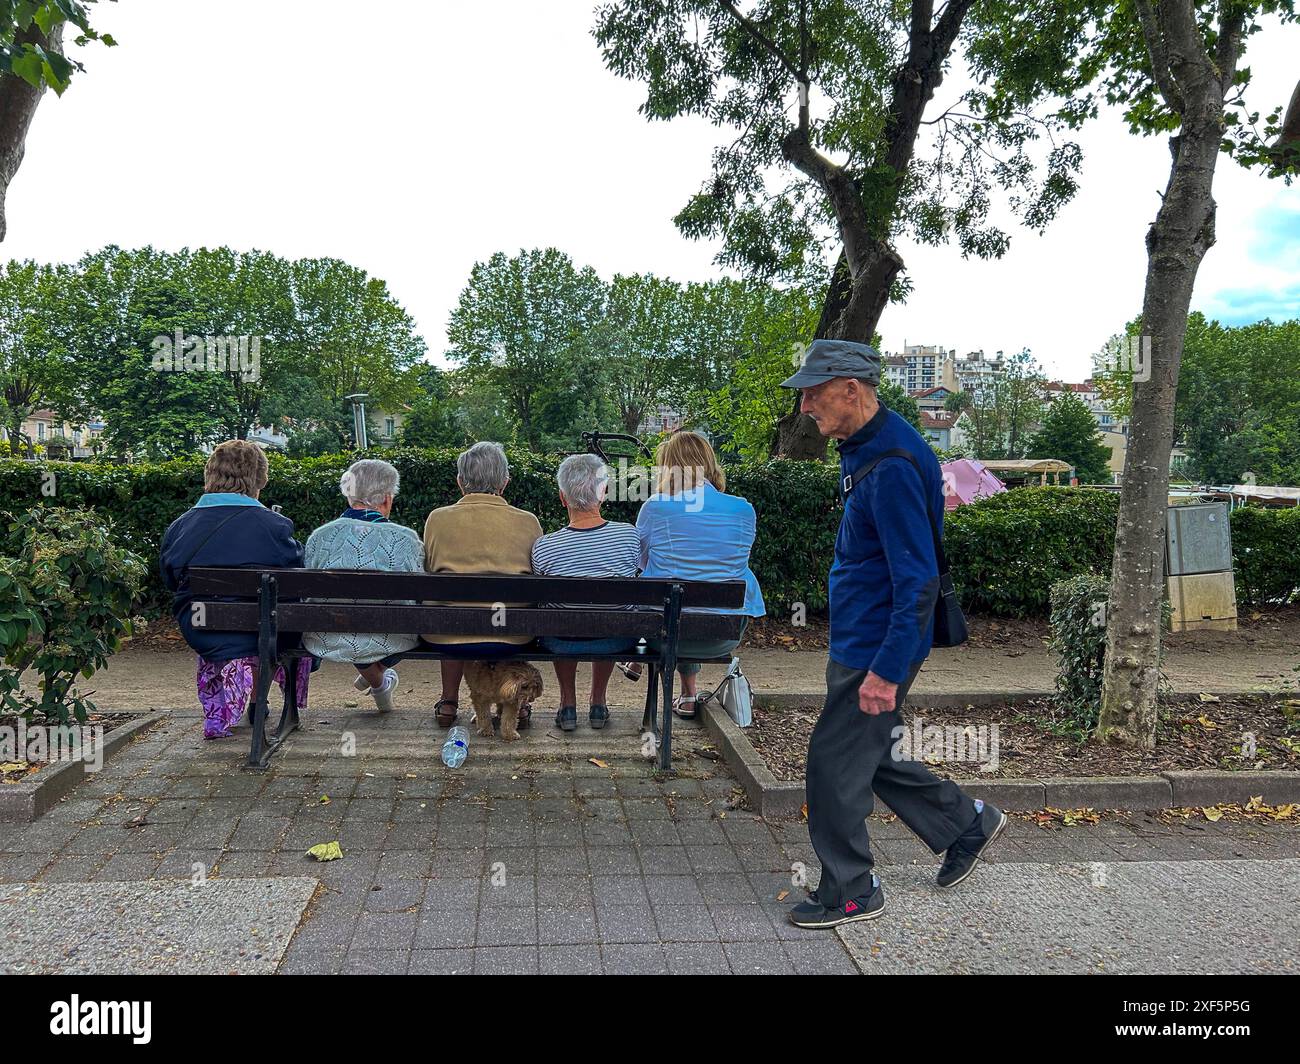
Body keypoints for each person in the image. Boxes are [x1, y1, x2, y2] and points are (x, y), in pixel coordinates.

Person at [778, 338, 1006, 930]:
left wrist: (885, 670)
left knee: (832, 764)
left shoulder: (895, 464)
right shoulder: (865, 445)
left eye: (813, 393)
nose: (805, 407)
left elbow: (919, 580)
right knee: (868, 752)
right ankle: (965, 824)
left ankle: (852, 891)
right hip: (864, 636)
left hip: (876, 646)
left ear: (851, 389)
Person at [160, 440, 311, 739]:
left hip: (202, 627)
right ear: (261, 479)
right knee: (272, 618)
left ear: (210, 474)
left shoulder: (181, 526)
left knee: (252, 619)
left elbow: (169, 579)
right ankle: (259, 699)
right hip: (265, 631)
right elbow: (299, 576)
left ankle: (230, 706)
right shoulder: (274, 525)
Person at [636, 430, 764, 718]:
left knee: (674, 602)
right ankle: (689, 695)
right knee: (688, 603)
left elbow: (641, 562)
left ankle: (660, 691)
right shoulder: (742, 509)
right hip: (723, 633)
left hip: (664, 634)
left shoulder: (655, 508)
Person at [421, 442, 542, 728]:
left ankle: (448, 702)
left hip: (448, 633)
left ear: (460, 482)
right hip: (510, 633)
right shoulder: (528, 522)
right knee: (508, 612)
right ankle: (517, 705)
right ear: (505, 482)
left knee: (450, 611)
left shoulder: (437, 519)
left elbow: (428, 569)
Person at [301, 459, 424, 712]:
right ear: (387, 499)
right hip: (392, 636)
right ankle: (376, 675)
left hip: (327, 634)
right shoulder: (406, 539)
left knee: (356, 619)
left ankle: (374, 677)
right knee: (411, 619)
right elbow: (418, 598)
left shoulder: (320, 536)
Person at [531, 453, 641, 732]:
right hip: (616, 640)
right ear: (602, 493)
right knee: (606, 618)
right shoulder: (628, 536)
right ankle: (598, 701)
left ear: (562, 497)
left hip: (561, 642)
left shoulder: (544, 547)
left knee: (559, 618)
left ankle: (568, 704)